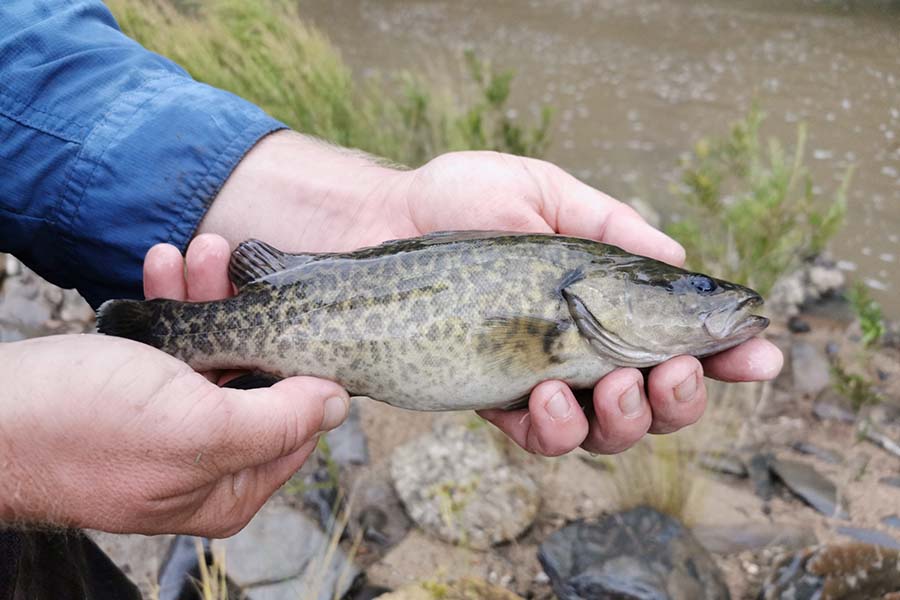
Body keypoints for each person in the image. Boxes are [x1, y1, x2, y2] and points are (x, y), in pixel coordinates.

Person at [0, 1, 782, 594]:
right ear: (617, 290)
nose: (711, 301)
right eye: (694, 290)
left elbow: (28, 67)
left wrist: (346, 198)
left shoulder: (576, 306)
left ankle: (162, 337)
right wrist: (17, 452)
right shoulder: (565, 299)